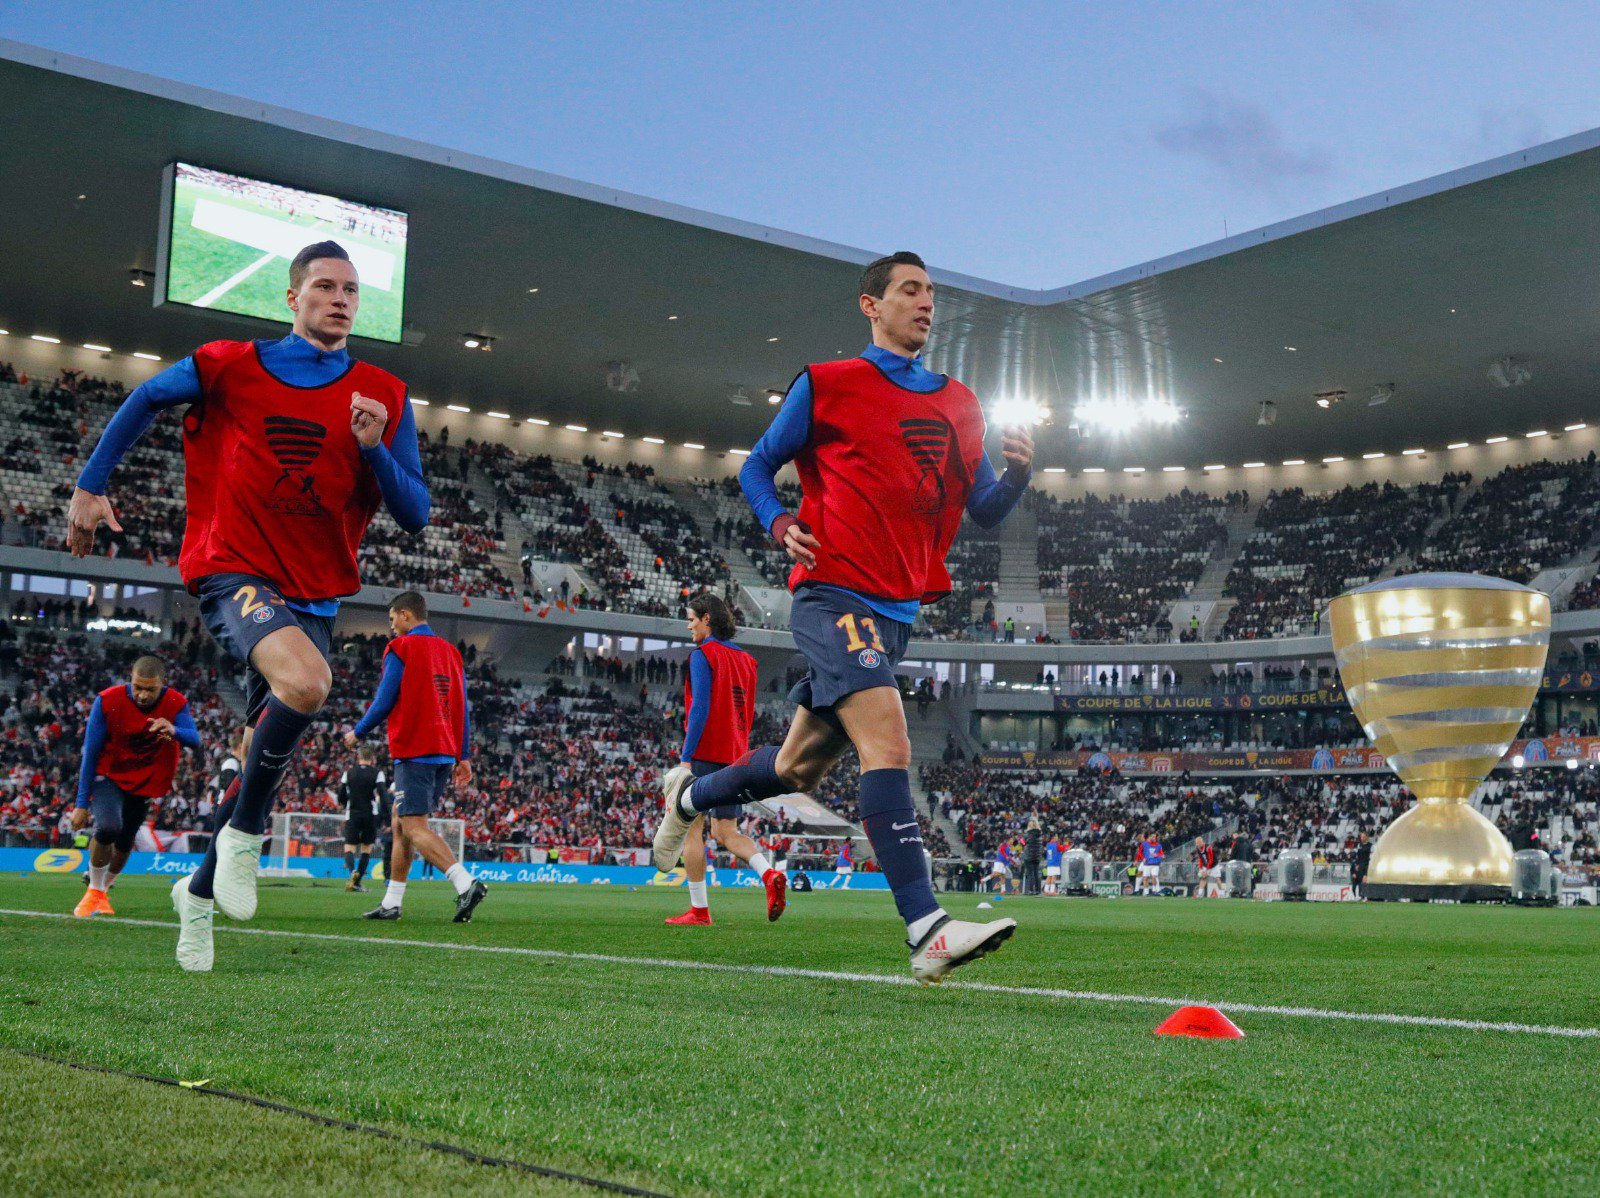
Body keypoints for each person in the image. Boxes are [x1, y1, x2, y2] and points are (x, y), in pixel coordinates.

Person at [651, 251, 1032, 984]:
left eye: (931, 293)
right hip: (832, 592)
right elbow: (758, 466)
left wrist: (1016, 474)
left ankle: (691, 794)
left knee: (799, 766)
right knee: (887, 744)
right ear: (871, 305)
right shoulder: (827, 385)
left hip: (897, 610)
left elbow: (982, 509)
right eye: (910, 290)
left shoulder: (961, 403)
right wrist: (776, 521)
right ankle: (926, 928)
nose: (926, 303)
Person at [68, 240, 429, 972]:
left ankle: (196, 898)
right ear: (292, 299)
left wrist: (371, 448)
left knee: (271, 744)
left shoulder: (385, 396)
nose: (340, 299)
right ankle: (244, 838)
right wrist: (90, 483)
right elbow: (144, 397)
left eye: (352, 290)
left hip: (317, 593)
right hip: (232, 570)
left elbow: (416, 512)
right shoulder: (229, 363)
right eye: (325, 286)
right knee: (307, 684)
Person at [347, 591, 483, 923]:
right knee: (398, 824)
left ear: (406, 615)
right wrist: (462, 755)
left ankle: (465, 884)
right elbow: (461, 706)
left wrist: (358, 732)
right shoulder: (451, 652)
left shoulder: (401, 648)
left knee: (414, 825)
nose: (392, 628)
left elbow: (384, 700)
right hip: (443, 752)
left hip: (415, 748)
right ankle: (392, 902)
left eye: (393, 619)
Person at [663, 593, 787, 926]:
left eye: (692, 619)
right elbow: (746, 713)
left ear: (707, 619)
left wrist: (687, 758)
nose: (689, 625)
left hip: (704, 754)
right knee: (727, 832)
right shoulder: (748, 660)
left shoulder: (703, 655)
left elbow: (699, 708)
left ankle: (699, 911)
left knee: (692, 831)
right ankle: (767, 872)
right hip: (736, 756)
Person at [70, 656, 200, 916]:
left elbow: (194, 739)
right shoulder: (107, 700)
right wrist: (81, 804)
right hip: (109, 774)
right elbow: (91, 753)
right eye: (137, 686)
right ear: (130, 678)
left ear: (162, 684)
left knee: (127, 838)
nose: (142, 694)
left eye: (150, 689)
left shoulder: (175, 703)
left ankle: (104, 891)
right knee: (109, 827)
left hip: (144, 779)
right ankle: (94, 890)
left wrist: (173, 729)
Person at [337, 745, 388, 893]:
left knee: (349, 846)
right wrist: (386, 815)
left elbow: (342, 794)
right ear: (372, 759)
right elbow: (382, 795)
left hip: (352, 812)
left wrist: (344, 802)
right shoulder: (377, 773)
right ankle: (357, 883)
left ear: (359, 758)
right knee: (366, 848)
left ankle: (352, 872)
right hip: (370, 814)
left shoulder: (349, 773)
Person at [1350, 832, 1371, 900]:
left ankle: (1367, 896)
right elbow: (1358, 856)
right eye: (1361, 837)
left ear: (1366, 837)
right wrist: (1357, 864)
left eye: (1363, 837)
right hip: (1361, 866)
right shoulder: (1359, 845)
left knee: (1365, 880)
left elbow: (1371, 856)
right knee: (1361, 882)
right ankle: (1361, 896)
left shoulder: (1371, 845)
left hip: (1367, 865)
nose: (1362, 838)